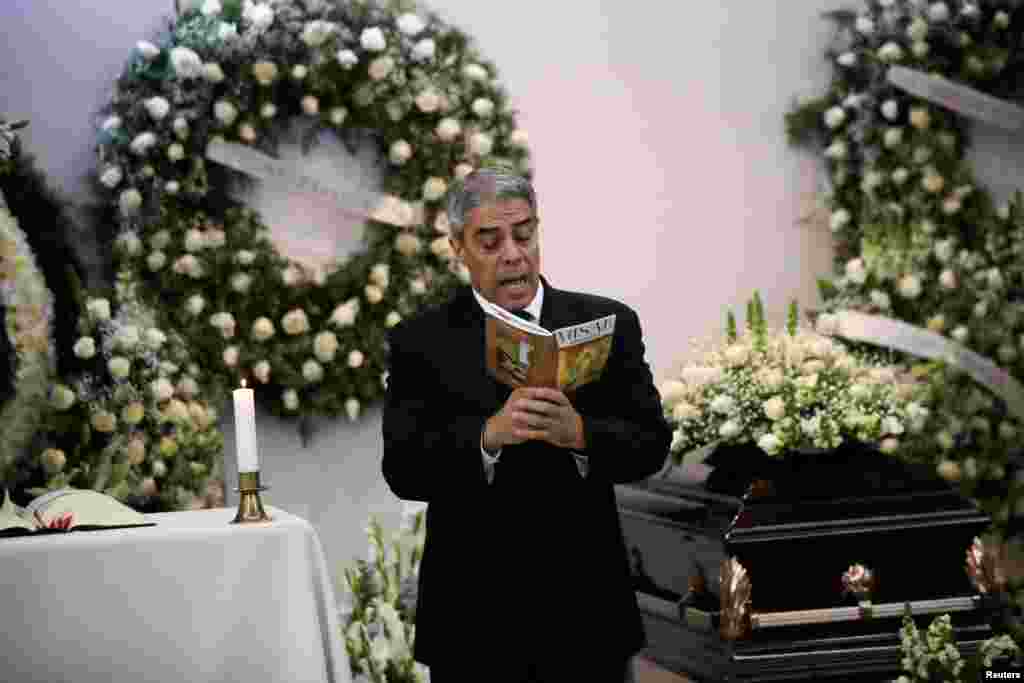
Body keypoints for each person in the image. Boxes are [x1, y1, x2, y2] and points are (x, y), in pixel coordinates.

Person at [382, 167, 671, 683]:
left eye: (524, 233)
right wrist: (486, 437)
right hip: (473, 624)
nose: (513, 254)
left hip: (588, 619)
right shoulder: (420, 341)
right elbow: (403, 468)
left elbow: (651, 445)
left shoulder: (609, 324)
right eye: (489, 242)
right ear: (458, 248)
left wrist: (580, 436)